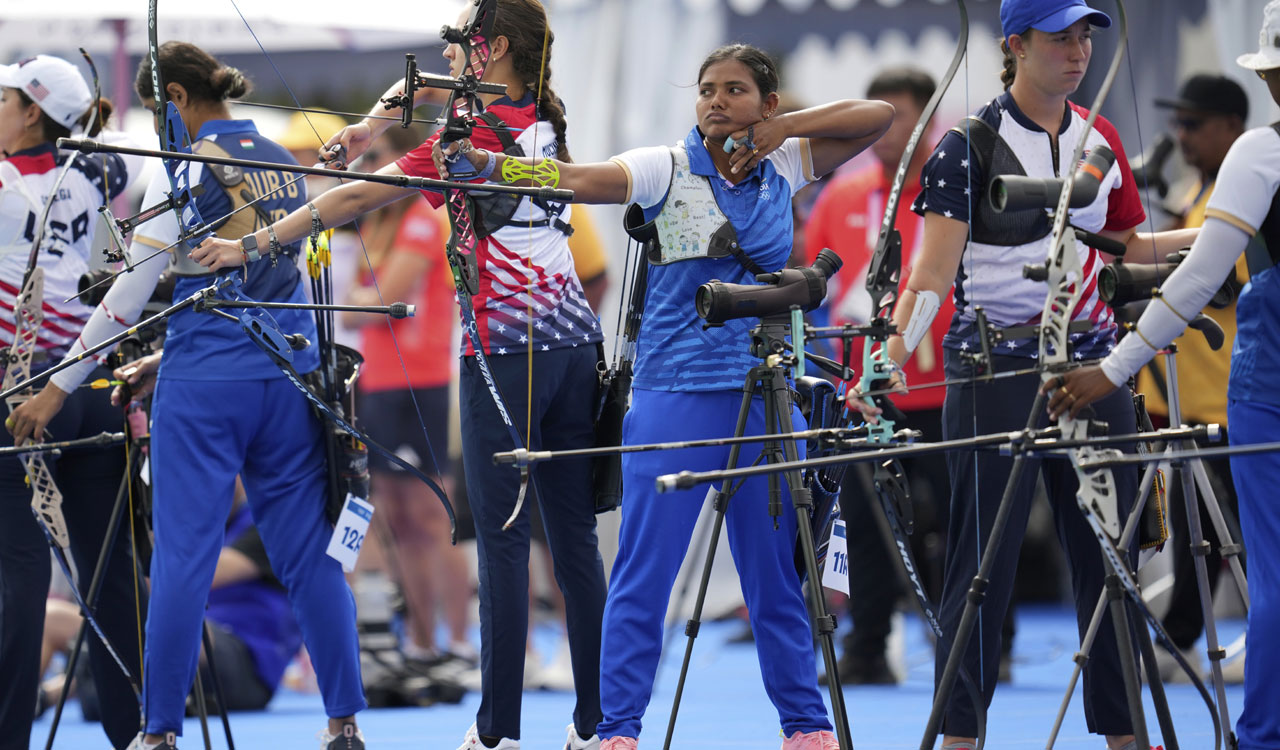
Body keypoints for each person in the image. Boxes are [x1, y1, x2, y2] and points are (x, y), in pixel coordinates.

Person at [436, 41, 894, 748]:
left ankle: (806, 728)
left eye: (735, 90)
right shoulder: (666, 165)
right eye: (707, 88)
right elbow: (573, 179)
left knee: (774, 581)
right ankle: (617, 730)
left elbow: (879, 116)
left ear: (766, 104)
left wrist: (784, 129)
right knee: (643, 579)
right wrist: (494, 166)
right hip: (672, 395)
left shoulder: (784, 161)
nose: (715, 100)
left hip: (763, 396)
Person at [190, 3, 609, 748]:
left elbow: (354, 196)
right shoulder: (535, 111)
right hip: (576, 346)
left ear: (494, 48)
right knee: (573, 540)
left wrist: (254, 243)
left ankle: (498, 734)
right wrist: (370, 125)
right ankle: (598, 724)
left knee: (504, 542)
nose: (447, 58)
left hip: (506, 357)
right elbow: (416, 92)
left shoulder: (464, 137)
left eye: (460, 46)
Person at [7, 42, 368, 750]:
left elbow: (126, 295)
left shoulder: (183, 169)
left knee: (182, 560)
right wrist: (165, 352)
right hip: (289, 381)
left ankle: (160, 733)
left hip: (207, 393)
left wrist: (55, 389)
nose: (155, 122)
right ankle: (343, 724)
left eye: (153, 108)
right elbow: (268, 289)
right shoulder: (283, 163)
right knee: (311, 559)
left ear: (175, 98)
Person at [876, 0, 1200, 747]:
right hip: (993, 370)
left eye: (1086, 35)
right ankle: (961, 736)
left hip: (1091, 366)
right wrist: (885, 363)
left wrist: (1222, 233)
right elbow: (931, 275)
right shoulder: (968, 144)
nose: (1078, 50)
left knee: (1111, 562)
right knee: (980, 563)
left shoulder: (1100, 137)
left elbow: (1125, 246)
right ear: (1015, 45)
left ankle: (1124, 735)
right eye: (1060, 37)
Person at [1049, 3, 1280, 746]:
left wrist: (1110, 371)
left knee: (1273, 582)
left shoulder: (1260, 150)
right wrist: (1121, 242)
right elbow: (1213, 239)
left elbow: (1195, 278)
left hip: (1266, 395)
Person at [0, 53, 146, 750]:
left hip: (22, 390)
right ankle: (141, 733)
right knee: (111, 565)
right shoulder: (92, 174)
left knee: (16, 567)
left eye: (3, 98)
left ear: (32, 113)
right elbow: (114, 165)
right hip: (87, 387)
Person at [804, 65, 952, 686]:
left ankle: (975, 644)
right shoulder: (841, 194)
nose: (890, 133)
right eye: (881, 118)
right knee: (863, 520)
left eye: (904, 119)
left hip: (943, 381)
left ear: (930, 122)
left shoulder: (951, 192)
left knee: (954, 516)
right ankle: (867, 646)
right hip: (865, 390)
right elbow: (811, 276)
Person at [341, 125, 473, 672]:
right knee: (394, 518)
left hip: (420, 383)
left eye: (378, 157)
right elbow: (358, 302)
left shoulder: (421, 218)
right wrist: (360, 298)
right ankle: (421, 641)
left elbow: (371, 305)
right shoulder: (378, 223)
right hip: (378, 381)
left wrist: (358, 298)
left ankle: (460, 642)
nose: (369, 167)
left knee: (430, 514)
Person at [1141, 73, 1249, 683]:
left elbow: (1221, 283)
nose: (1181, 135)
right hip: (1196, 399)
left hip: (1238, 398)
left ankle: (1244, 637)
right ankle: (1178, 637)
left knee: (1246, 534)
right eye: (1177, 123)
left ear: (1232, 127)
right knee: (1197, 528)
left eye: (1194, 124)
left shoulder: (1243, 194)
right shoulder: (1203, 192)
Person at [42, 487, 306, 717]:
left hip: (244, 661)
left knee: (171, 623)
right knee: (53, 617)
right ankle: (36, 699)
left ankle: (70, 683)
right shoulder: (191, 525)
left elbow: (192, 578)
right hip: (175, 641)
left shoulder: (267, 524)